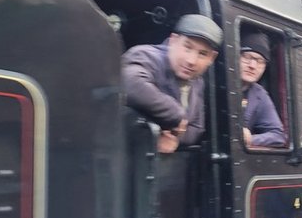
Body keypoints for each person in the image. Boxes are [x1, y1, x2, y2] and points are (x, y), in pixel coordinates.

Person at [122, 14, 222, 153]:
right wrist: (175, 115)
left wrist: (173, 137)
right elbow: (130, 83)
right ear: (173, 41)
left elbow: (197, 128)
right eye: (187, 47)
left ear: (212, 58)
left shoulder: (198, 81)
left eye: (202, 54)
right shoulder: (146, 55)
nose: (191, 60)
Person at [240, 32, 286, 147]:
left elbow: (278, 135)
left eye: (260, 61)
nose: (252, 65)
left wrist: (251, 139)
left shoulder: (259, 94)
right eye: (247, 57)